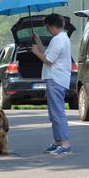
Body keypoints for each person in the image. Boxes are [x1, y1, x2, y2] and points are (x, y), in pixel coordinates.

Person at [31, 13, 71, 155]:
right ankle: (58, 141)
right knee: (53, 112)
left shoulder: (58, 40)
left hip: (56, 79)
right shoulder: (61, 38)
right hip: (56, 79)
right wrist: (38, 41)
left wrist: (36, 52)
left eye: (47, 27)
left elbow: (48, 60)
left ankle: (64, 143)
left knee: (57, 112)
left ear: (53, 26)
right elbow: (47, 52)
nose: (47, 30)